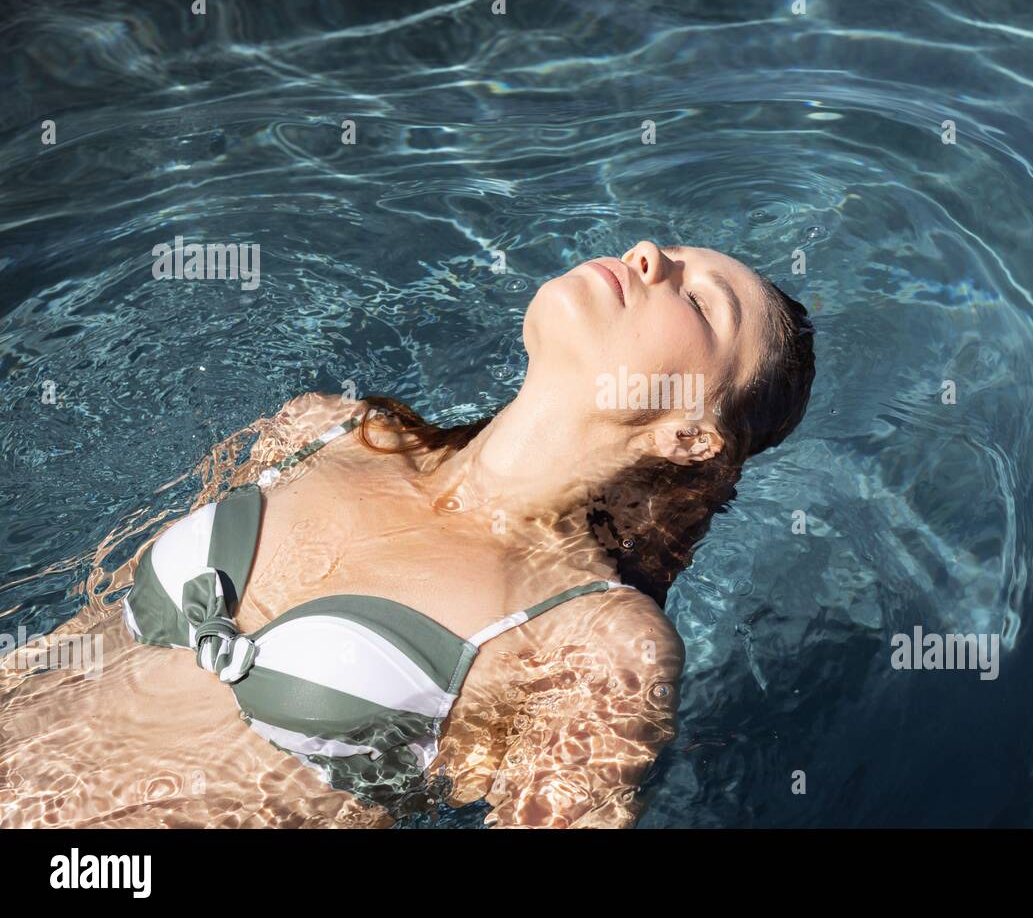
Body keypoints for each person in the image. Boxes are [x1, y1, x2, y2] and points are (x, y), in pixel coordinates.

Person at [0, 241, 815, 828]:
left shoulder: (598, 642)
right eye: (667, 248)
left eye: (703, 301)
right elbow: (89, 622)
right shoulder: (322, 432)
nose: (648, 256)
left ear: (688, 435)